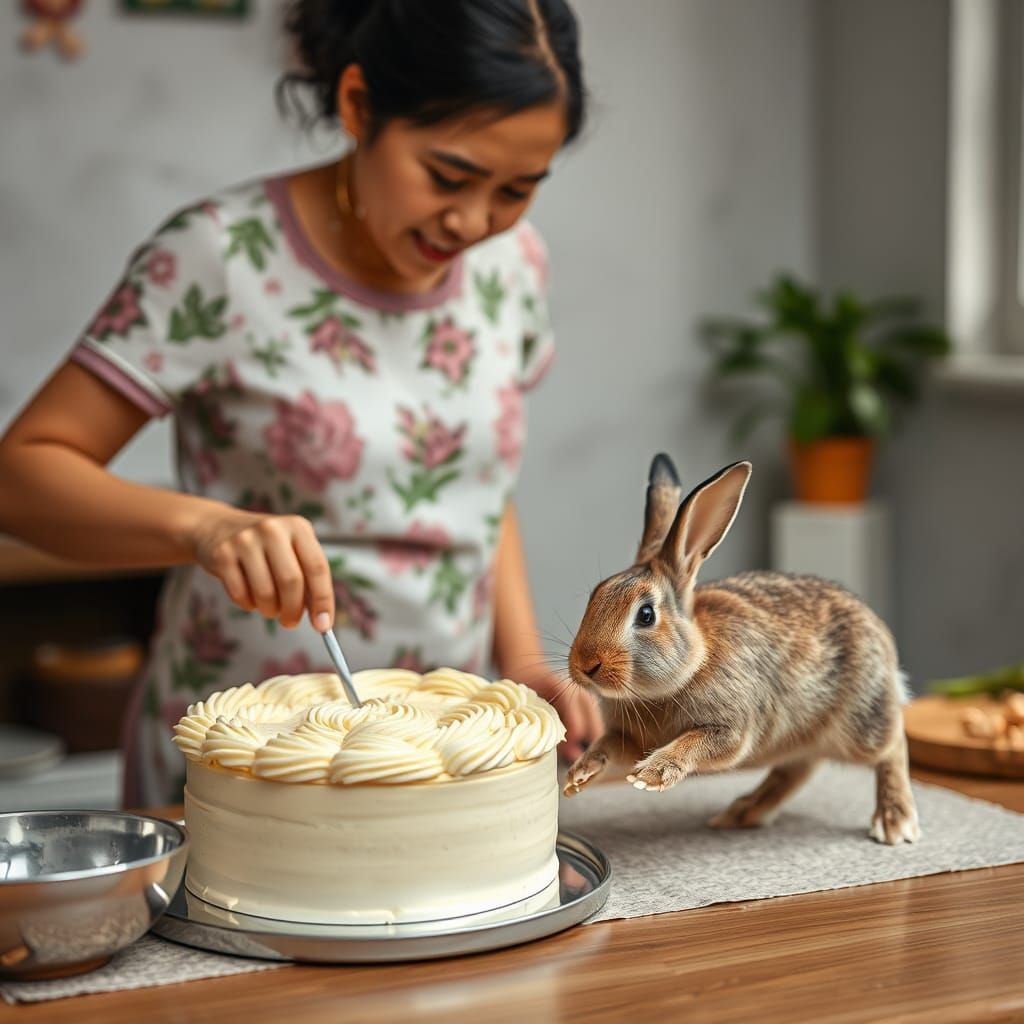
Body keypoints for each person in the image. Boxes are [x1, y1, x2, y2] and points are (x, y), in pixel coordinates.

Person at [0, 0, 603, 806]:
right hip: (242, 768)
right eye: (448, 177)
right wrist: (207, 528)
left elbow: (478, 493)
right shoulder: (221, 258)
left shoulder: (513, 264)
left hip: (433, 761)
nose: (473, 221)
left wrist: (524, 664)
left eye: (517, 188)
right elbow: (22, 475)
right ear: (358, 106)